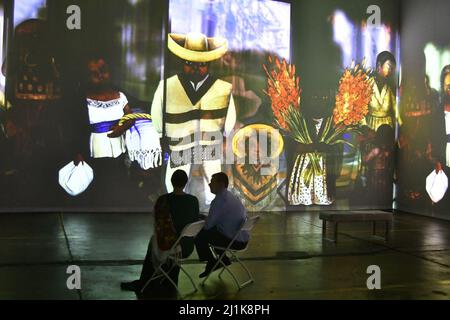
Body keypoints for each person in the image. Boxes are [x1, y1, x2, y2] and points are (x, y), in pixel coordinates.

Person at [151, 32, 236, 206]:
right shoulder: (166, 86)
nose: (196, 67)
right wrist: (161, 134)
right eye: (190, 63)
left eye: (202, 64)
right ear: (182, 62)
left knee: (213, 183)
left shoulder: (224, 88)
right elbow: (157, 114)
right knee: (174, 183)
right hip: (180, 143)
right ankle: (177, 211)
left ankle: (211, 214)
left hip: (210, 143)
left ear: (210, 64)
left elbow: (230, 117)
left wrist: (225, 133)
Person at [70, 56, 136, 207]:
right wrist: (78, 152)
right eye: (94, 73)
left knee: (118, 184)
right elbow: (75, 128)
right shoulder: (82, 99)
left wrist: (122, 127)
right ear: (87, 76)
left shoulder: (120, 95)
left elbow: (131, 117)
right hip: (94, 154)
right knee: (98, 187)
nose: (100, 76)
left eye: (103, 71)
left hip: (119, 154)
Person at [121, 169, 199, 293]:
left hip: (170, 246)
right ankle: (169, 281)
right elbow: (195, 220)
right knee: (164, 240)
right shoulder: (193, 201)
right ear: (186, 182)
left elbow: (158, 225)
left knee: (154, 242)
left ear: (171, 182)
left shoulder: (163, 200)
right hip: (187, 246)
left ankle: (145, 282)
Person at [195, 172, 249, 278]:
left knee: (201, 236)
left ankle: (211, 262)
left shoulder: (219, 201)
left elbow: (208, 226)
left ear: (221, 184)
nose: (209, 184)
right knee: (215, 232)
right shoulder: (231, 196)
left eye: (212, 182)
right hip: (242, 239)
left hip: (234, 241)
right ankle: (223, 259)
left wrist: (203, 220)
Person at [364, 51, 401, 131]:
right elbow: (360, 110)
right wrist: (364, 128)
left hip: (388, 128)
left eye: (393, 68)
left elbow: (395, 109)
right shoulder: (367, 84)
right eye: (389, 67)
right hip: (371, 128)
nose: (391, 71)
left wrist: (402, 125)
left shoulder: (389, 88)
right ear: (379, 66)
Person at [363, 124, 395, 207]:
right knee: (383, 198)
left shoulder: (376, 150)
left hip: (375, 176)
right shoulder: (391, 149)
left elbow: (365, 160)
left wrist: (362, 147)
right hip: (386, 176)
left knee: (374, 198)